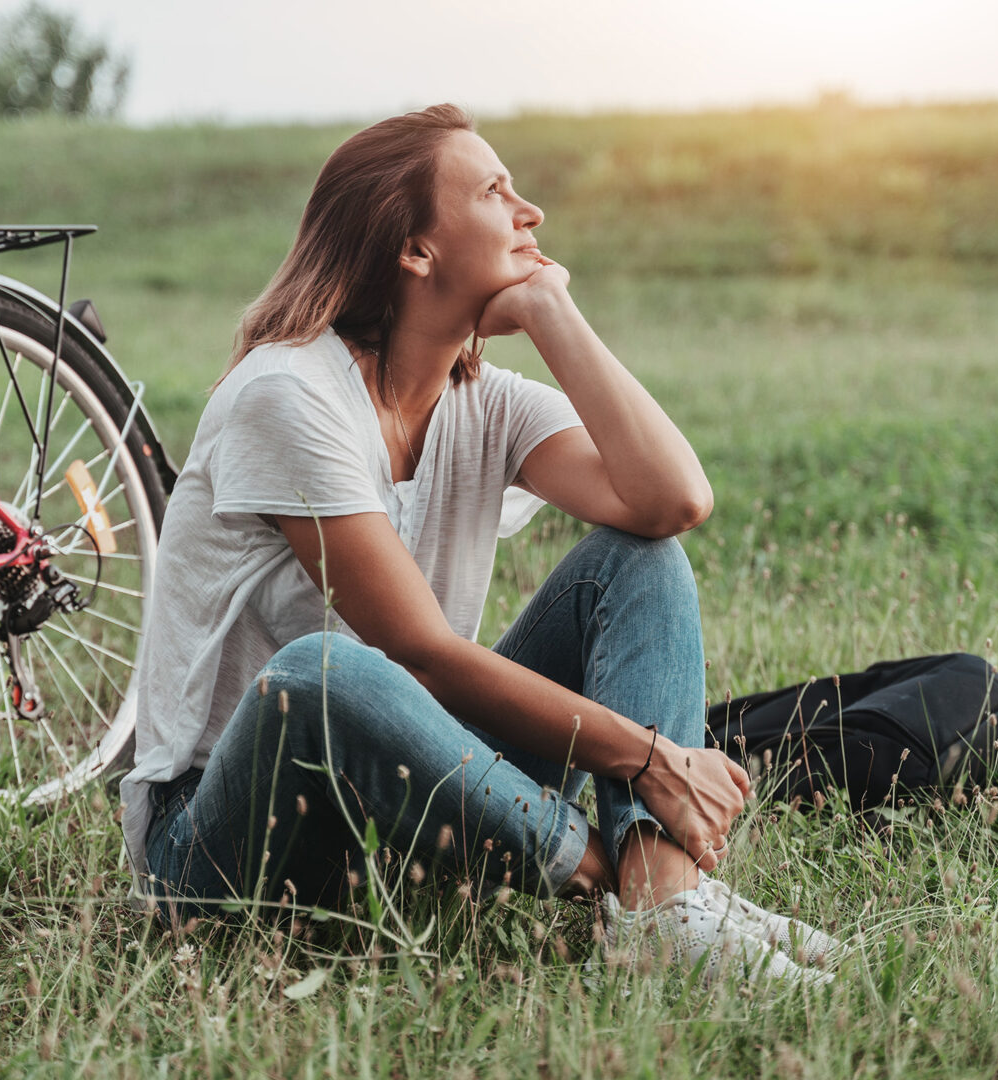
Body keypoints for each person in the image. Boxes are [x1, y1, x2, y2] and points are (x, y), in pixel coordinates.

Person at [119, 104, 837, 986]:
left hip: (400, 804)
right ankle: (640, 885)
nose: (530, 211)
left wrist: (550, 310)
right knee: (323, 672)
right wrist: (650, 758)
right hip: (224, 846)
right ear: (416, 251)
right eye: (497, 191)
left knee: (637, 562)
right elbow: (418, 657)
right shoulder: (288, 394)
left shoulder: (487, 402)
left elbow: (671, 500)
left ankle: (663, 912)